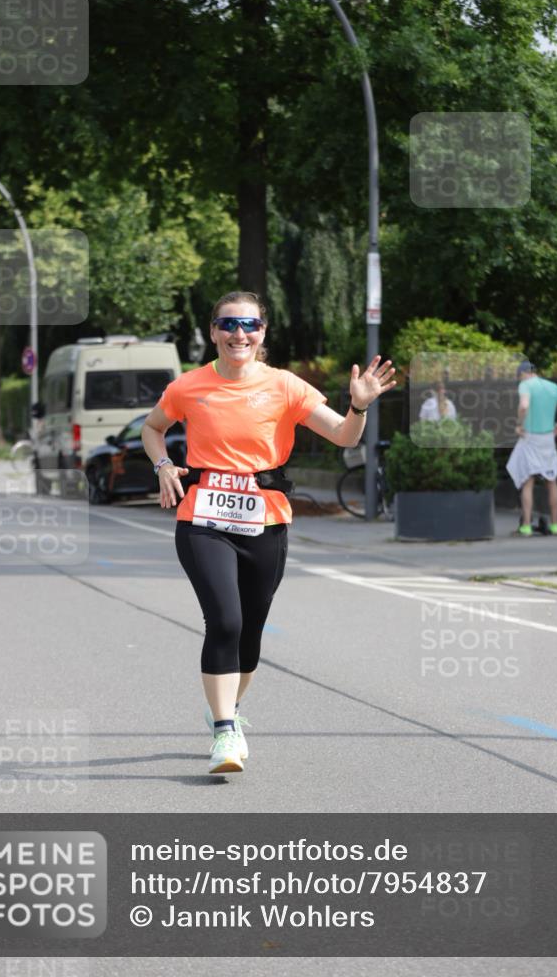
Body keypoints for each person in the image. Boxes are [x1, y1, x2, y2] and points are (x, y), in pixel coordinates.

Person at [141, 291, 396, 774]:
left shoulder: (285, 386)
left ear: (262, 333)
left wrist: (358, 407)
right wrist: (163, 466)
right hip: (203, 519)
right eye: (228, 324)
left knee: (250, 631)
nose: (239, 334)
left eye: (249, 325)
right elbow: (152, 428)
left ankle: (228, 709)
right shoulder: (189, 386)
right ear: (213, 331)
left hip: (265, 520)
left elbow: (343, 435)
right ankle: (224, 731)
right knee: (225, 621)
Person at [505, 360, 557, 536]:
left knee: (528, 481)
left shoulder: (525, 385)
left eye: (519, 376)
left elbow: (524, 406)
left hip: (530, 437)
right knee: (551, 480)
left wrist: (519, 425)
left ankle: (526, 526)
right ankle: (555, 525)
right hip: (548, 438)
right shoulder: (551, 386)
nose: (519, 380)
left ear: (523, 373)